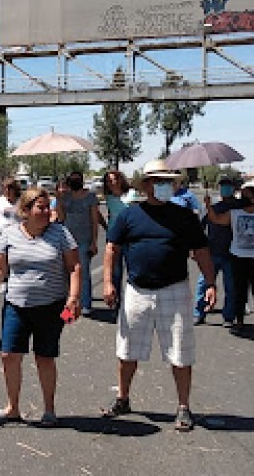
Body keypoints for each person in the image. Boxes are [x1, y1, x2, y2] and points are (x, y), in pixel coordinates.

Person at [101, 159, 216, 432]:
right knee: (127, 350)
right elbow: (111, 249)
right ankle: (123, 398)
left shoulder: (185, 217)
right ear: (146, 185)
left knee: (180, 351)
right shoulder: (130, 215)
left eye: (167, 182)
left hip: (174, 291)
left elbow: (201, 252)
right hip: (136, 291)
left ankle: (183, 407)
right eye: (157, 181)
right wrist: (107, 282)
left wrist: (210, 283)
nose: (162, 186)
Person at [0, 187, 81, 426]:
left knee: (44, 357)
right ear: (26, 210)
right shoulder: (10, 234)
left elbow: (74, 267)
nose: (46, 212)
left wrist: (73, 298)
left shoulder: (60, 233)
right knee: (9, 355)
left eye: (48, 207)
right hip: (16, 305)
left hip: (51, 306)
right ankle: (12, 408)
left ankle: (49, 410)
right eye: (40, 207)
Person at [205, 185, 254, 332]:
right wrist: (208, 205)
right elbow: (215, 219)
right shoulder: (234, 214)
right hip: (238, 257)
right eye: (241, 195)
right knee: (239, 291)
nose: (242, 199)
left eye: (246, 196)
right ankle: (239, 321)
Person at [195, 177, 239, 326]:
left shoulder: (238, 207)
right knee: (203, 284)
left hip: (232, 253)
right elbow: (200, 227)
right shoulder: (212, 206)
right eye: (222, 186)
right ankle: (198, 313)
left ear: (233, 188)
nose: (225, 189)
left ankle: (228, 316)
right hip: (211, 251)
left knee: (230, 287)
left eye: (228, 186)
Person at [54, 171, 100, 314]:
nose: (74, 182)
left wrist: (94, 241)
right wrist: (59, 201)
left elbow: (94, 220)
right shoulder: (65, 197)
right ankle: (71, 301)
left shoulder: (91, 197)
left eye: (76, 179)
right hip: (67, 240)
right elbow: (61, 217)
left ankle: (86, 303)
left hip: (84, 240)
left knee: (83, 272)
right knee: (67, 272)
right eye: (71, 180)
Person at [100, 170, 131, 303]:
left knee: (132, 270)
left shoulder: (131, 194)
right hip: (113, 236)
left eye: (113, 179)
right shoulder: (108, 197)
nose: (111, 182)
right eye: (108, 181)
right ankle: (117, 301)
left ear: (120, 180)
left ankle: (132, 301)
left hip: (130, 236)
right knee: (115, 273)